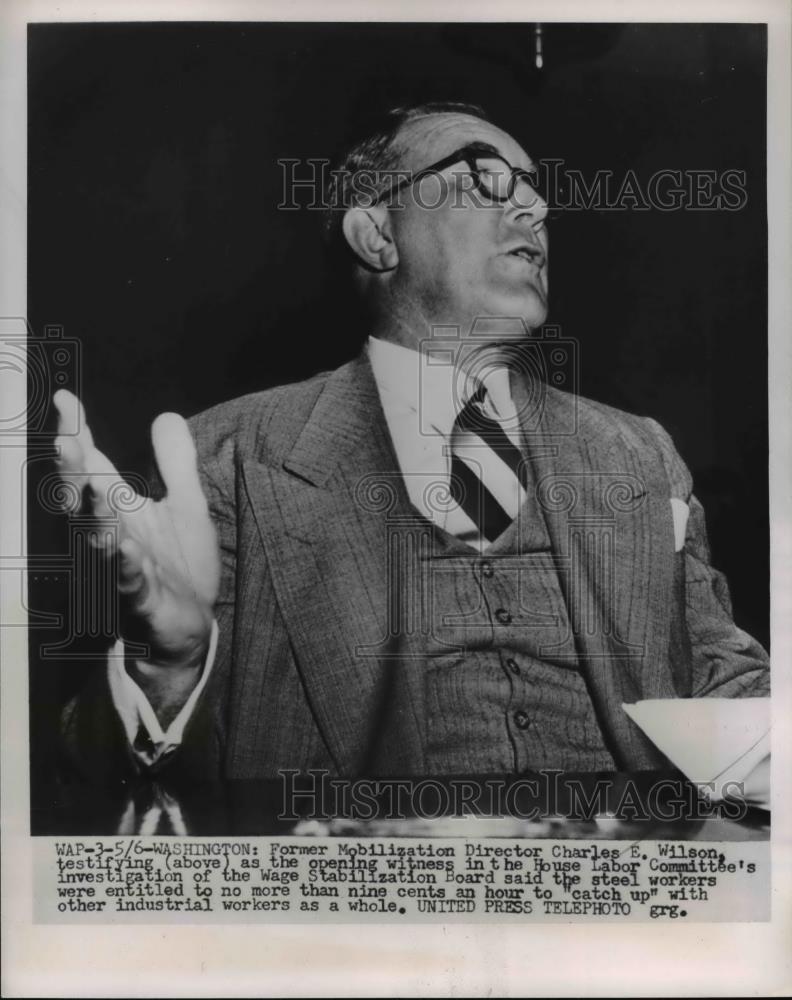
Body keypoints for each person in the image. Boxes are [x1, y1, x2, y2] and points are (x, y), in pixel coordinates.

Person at [52, 102, 769, 783]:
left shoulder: (638, 452)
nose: (534, 208)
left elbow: (725, 681)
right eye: (487, 178)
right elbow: (96, 774)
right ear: (377, 235)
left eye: (535, 190)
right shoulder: (224, 460)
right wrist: (169, 666)